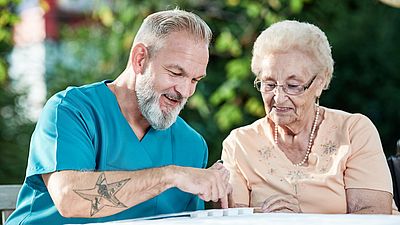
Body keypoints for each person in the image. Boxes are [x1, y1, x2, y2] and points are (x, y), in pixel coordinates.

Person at [6, 9, 230, 225]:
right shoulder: (71, 110)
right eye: (175, 73)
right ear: (140, 59)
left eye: (194, 80)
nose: (185, 91)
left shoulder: (191, 145)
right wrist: (170, 175)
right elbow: (70, 198)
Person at [221, 20, 399, 214]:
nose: (278, 98)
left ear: (320, 82)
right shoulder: (239, 144)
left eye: (293, 86)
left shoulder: (353, 131)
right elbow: (232, 218)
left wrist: (303, 221)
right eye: (269, 84)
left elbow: (374, 216)